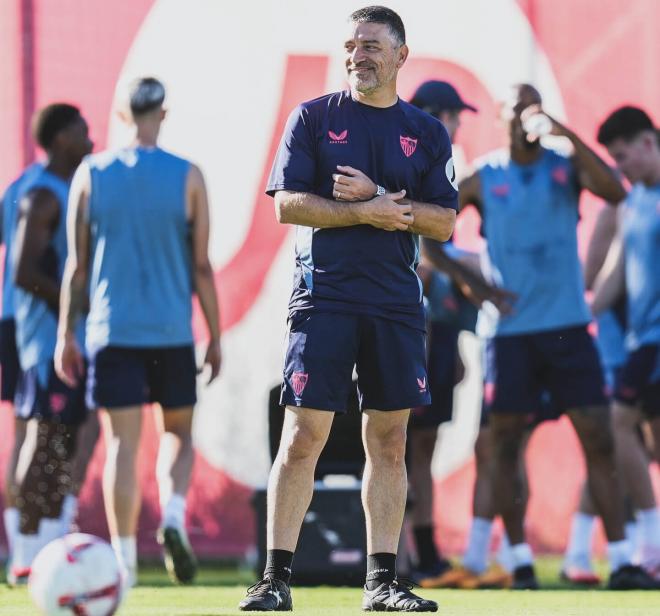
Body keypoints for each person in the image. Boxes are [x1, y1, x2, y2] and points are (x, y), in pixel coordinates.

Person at [239, 6, 457, 612]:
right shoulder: (313, 117)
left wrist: (385, 200)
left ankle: (382, 583)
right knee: (303, 434)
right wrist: (366, 211)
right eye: (352, 44)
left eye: (372, 45)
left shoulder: (426, 132)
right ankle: (275, 579)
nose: (359, 55)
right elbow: (288, 205)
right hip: (324, 298)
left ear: (400, 56)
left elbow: (444, 220)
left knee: (389, 443)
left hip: (394, 305)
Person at [457, 83, 658, 590]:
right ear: (500, 116)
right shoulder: (484, 176)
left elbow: (615, 191)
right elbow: (428, 229)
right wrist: (472, 283)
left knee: (601, 439)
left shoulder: (564, 165)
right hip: (511, 336)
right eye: (516, 106)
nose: (525, 115)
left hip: (568, 329)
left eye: (533, 105)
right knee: (503, 447)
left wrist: (565, 133)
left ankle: (623, 559)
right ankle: (521, 561)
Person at [55, 77, 222, 587]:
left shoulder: (91, 173)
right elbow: (201, 266)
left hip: (113, 329)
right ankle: (172, 514)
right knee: (178, 433)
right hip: (171, 329)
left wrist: (67, 333)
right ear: (163, 113)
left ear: (123, 114)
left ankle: (125, 564)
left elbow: (76, 267)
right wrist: (215, 334)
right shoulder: (188, 176)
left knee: (122, 446)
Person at [8, 104, 92, 585]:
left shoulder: (76, 188)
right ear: (61, 138)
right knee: (43, 439)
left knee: (70, 439)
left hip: (76, 340)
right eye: (82, 130)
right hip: (45, 342)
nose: (90, 136)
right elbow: (22, 270)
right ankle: (24, 550)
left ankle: (53, 546)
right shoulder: (41, 196)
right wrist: (68, 303)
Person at [592, 106, 660, 578]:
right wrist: (579, 317)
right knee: (638, 436)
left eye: (624, 157)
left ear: (648, 144)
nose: (621, 168)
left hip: (655, 341)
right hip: (643, 340)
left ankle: (651, 546)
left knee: (620, 422)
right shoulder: (633, 201)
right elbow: (613, 274)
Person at [0, 162, 42, 566]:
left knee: (25, 430)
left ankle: (22, 549)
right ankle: (32, 544)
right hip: (38, 324)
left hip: (13, 319)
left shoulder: (17, 186)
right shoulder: (51, 188)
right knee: (41, 430)